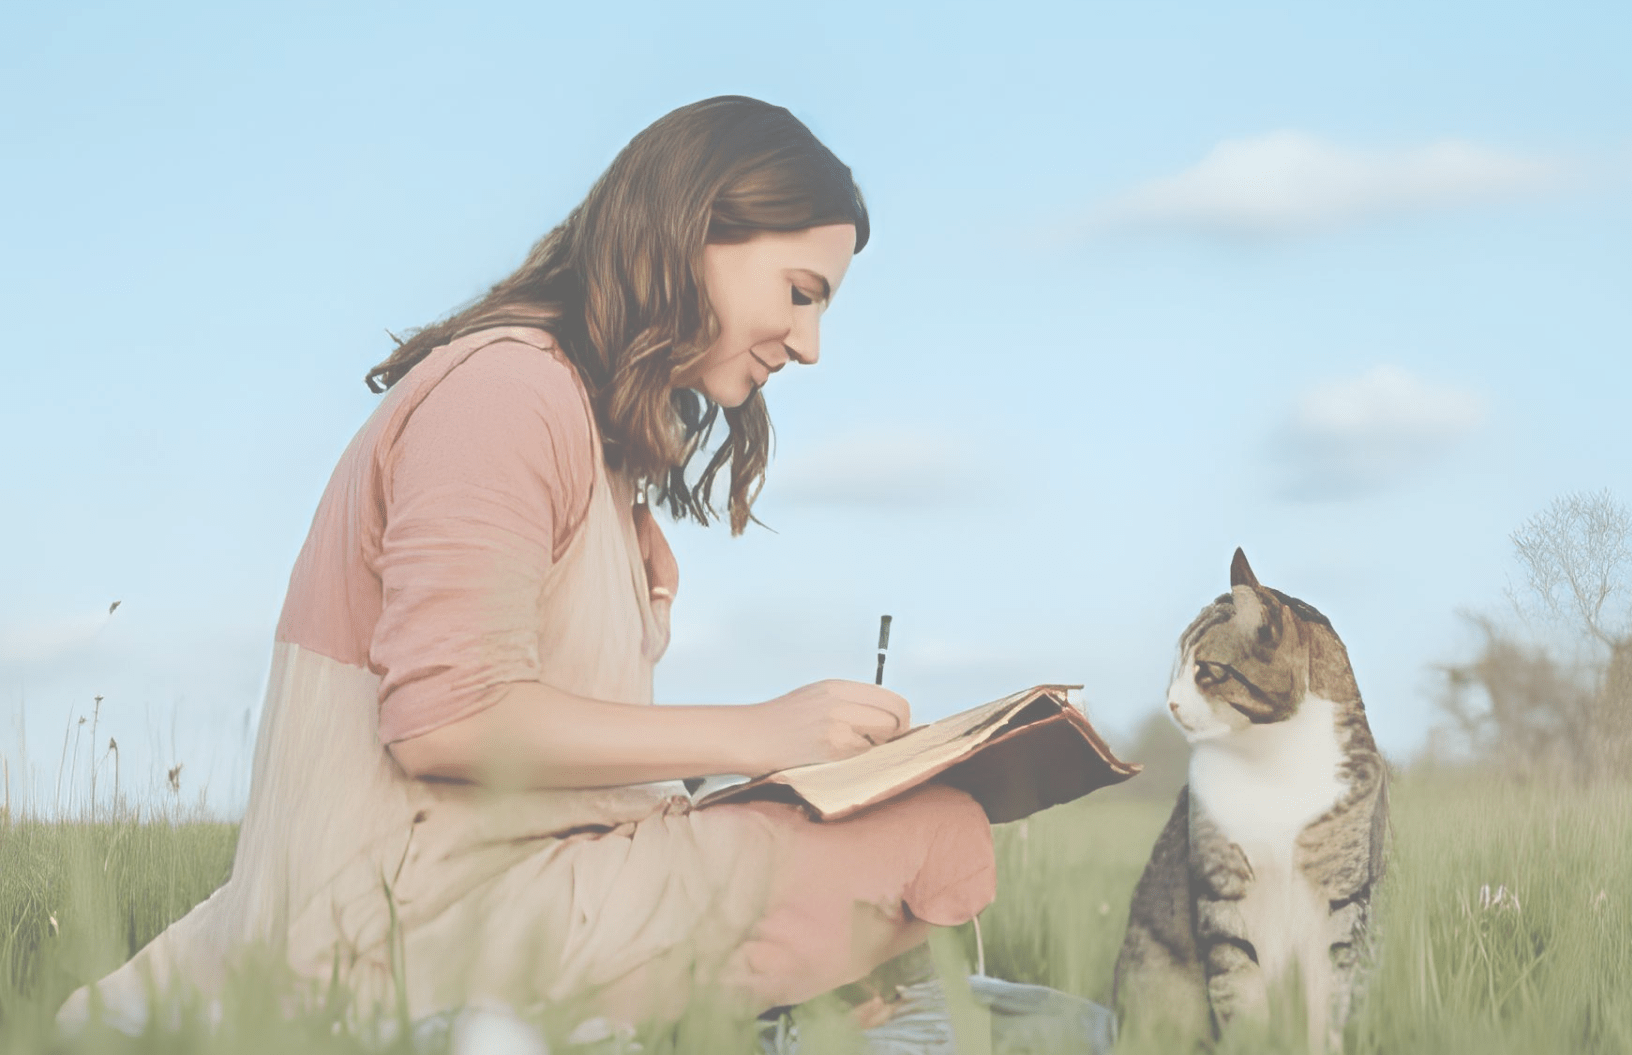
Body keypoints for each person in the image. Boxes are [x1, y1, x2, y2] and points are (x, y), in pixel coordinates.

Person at [58, 95, 997, 1037]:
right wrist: (763, 734)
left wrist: (667, 649)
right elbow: (450, 722)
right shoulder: (506, 394)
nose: (810, 345)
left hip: (482, 881)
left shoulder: (591, 442)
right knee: (931, 837)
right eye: (801, 292)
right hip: (402, 918)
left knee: (904, 827)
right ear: (694, 234)